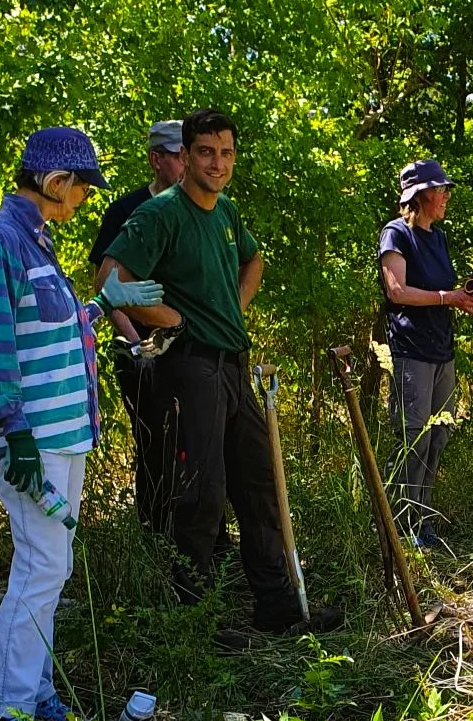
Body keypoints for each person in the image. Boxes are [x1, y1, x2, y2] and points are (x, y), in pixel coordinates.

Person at [0, 126, 163, 721]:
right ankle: (5, 714)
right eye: (80, 191)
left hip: (63, 436)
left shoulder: (34, 243)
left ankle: (36, 697)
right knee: (40, 566)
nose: (82, 203)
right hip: (33, 440)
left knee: (53, 566)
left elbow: (50, 331)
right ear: (54, 183)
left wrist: (102, 303)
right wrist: (11, 432)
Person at [101, 108, 340, 635]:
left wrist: (235, 305)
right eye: (206, 152)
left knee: (259, 485)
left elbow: (254, 261)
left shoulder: (226, 213)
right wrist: (173, 320)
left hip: (233, 366)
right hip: (188, 369)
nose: (218, 162)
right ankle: (196, 623)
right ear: (183, 157)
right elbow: (111, 280)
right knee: (199, 496)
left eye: (226, 152)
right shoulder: (161, 214)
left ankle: (278, 607)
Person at [378, 159, 473, 547]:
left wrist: (472, 301)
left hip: (443, 351)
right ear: (419, 195)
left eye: (445, 189)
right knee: (413, 438)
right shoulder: (396, 234)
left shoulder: (438, 238)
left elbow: (446, 293)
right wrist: (448, 297)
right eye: (439, 189)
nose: (445, 195)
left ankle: (422, 522)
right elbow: (397, 290)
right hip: (412, 353)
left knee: (438, 436)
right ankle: (399, 527)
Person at [89, 120, 185, 531]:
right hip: (139, 351)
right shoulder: (125, 211)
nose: (187, 165)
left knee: (196, 443)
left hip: (189, 347)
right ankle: (155, 532)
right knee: (154, 444)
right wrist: (136, 344)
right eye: (180, 156)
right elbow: (107, 286)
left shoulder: (200, 209)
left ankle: (201, 538)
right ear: (156, 160)